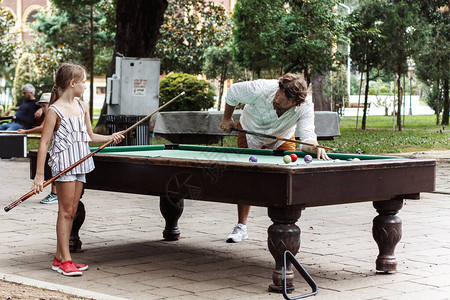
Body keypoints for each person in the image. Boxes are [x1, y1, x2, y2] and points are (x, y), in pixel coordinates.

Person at [31, 63, 124, 276]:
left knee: (72, 211)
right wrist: (39, 176)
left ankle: (59, 258)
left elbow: (90, 137)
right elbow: (44, 144)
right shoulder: (54, 110)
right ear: (72, 84)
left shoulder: (82, 106)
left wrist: (110, 137)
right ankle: (66, 261)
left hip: (81, 162)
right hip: (64, 165)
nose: (85, 85)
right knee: (64, 212)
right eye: (83, 81)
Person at [220, 73, 330, 243]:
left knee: (288, 176)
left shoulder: (305, 106)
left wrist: (313, 146)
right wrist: (227, 118)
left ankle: (285, 225)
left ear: (295, 103)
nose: (277, 100)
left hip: (281, 136)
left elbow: (307, 138)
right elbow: (233, 92)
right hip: (250, 130)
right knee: (246, 179)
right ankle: (241, 227)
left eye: (283, 100)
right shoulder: (261, 88)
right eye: (277, 95)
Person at [18, 93, 59, 204]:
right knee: (55, 169)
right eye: (41, 106)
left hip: (61, 149)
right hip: (56, 147)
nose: (42, 108)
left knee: (56, 169)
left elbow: (42, 127)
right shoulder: (50, 112)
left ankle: (55, 194)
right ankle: (55, 193)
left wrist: (25, 131)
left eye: (43, 106)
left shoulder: (53, 111)